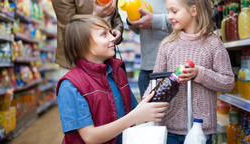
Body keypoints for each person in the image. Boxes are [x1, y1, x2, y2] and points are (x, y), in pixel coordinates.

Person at [143, 0, 234, 144]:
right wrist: (147, 98)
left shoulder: (213, 44)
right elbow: (156, 80)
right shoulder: (167, 45)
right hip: (169, 128)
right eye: (168, 11)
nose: (169, 16)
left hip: (201, 130)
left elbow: (228, 82)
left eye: (174, 11)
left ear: (193, 10)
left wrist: (200, 73)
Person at [56, 14, 169, 144]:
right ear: (84, 44)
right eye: (104, 34)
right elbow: (90, 137)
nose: (112, 38)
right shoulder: (70, 85)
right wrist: (136, 116)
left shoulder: (117, 72)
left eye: (110, 32)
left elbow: (133, 110)